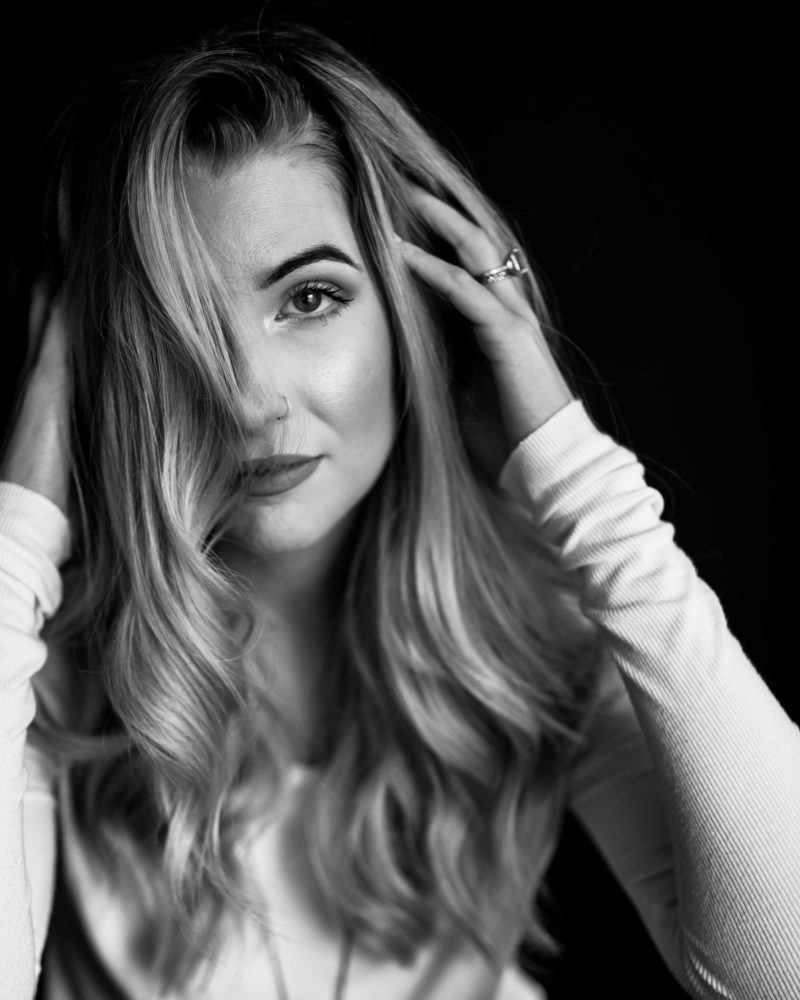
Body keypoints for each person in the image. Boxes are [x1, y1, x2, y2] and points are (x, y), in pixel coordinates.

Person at [0, 21, 797, 1000]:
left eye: (309, 298)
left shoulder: (532, 639)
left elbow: (776, 973)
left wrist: (580, 478)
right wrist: (19, 534)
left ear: (417, 312)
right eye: (182, 327)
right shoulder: (43, 671)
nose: (251, 398)